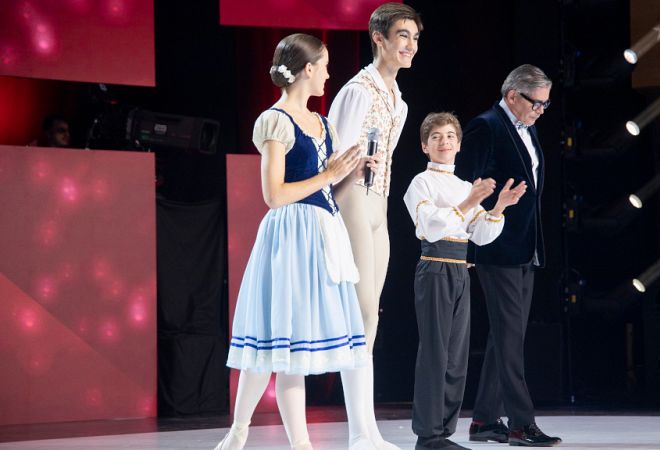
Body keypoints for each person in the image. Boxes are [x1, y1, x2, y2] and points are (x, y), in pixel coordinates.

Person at [215, 33, 389, 450]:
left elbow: (327, 192)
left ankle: (293, 443)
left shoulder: (323, 124)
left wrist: (350, 172)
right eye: (324, 65)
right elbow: (274, 194)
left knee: (292, 346)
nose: (328, 74)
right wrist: (328, 174)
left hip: (322, 236)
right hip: (290, 235)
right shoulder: (275, 121)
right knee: (278, 339)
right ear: (307, 69)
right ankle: (243, 430)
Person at [403, 113, 526, 450]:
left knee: (456, 357)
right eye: (436, 137)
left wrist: (498, 207)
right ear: (425, 146)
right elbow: (430, 226)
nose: (444, 141)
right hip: (435, 267)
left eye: (450, 136)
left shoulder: (461, 186)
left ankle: (443, 431)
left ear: (459, 144)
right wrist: (471, 201)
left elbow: (480, 235)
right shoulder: (421, 183)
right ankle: (428, 435)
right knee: (435, 352)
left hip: (460, 269)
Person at [454, 65, 562, 447]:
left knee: (506, 337)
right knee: (510, 339)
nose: (541, 110)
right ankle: (520, 424)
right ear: (513, 95)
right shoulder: (485, 126)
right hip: (496, 247)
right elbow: (465, 185)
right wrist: (480, 225)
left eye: (546, 104)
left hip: (525, 247)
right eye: (537, 103)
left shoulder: (528, 128)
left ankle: (484, 420)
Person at [328, 2, 423, 354]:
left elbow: (388, 157)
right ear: (379, 38)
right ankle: (353, 387)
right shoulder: (358, 90)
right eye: (403, 36)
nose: (411, 45)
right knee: (362, 310)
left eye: (415, 38)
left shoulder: (400, 103)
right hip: (351, 196)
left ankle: (361, 385)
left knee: (372, 314)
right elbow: (332, 154)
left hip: (379, 203)